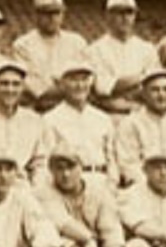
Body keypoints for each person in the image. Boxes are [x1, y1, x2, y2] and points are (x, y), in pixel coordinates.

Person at [34, 145, 159, 247]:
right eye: (59, 169)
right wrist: (88, 240)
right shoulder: (44, 193)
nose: (65, 174)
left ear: (81, 168)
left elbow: (111, 231)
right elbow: (63, 223)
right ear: (51, 171)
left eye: (71, 167)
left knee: (140, 246)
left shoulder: (99, 191)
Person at [43, 58, 119, 187]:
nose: (79, 85)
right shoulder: (50, 119)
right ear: (63, 84)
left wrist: (112, 183)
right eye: (73, 80)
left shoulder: (102, 118)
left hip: (101, 180)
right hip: (68, 184)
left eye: (84, 79)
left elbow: (111, 157)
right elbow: (47, 162)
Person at [86, 0, 159, 117]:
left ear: (135, 16)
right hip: (109, 115)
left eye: (129, 12)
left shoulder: (147, 49)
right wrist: (142, 77)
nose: (125, 18)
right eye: (119, 13)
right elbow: (103, 90)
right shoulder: (95, 50)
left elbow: (154, 87)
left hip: (142, 115)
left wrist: (122, 86)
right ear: (108, 15)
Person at [13, 0, 87, 113]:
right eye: (46, 13)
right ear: (36, 15)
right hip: (38, 111)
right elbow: (34, 89)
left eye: (56, 13)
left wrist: (61, 85)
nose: (52, 18)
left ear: (63, 14)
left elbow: (87, 83)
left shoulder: (77, 42)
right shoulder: (23, 45)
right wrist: (69, 86)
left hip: (71, 112)